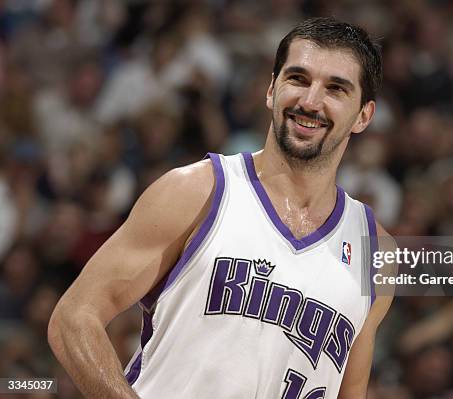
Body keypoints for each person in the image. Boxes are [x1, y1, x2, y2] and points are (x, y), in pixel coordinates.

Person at [48, 17, 394, 398]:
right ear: (270, 90)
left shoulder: (376, 253)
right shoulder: (197, 191)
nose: (310, 101)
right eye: (297, 79)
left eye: (336, 89)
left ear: (364, 115)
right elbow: (74, 318)